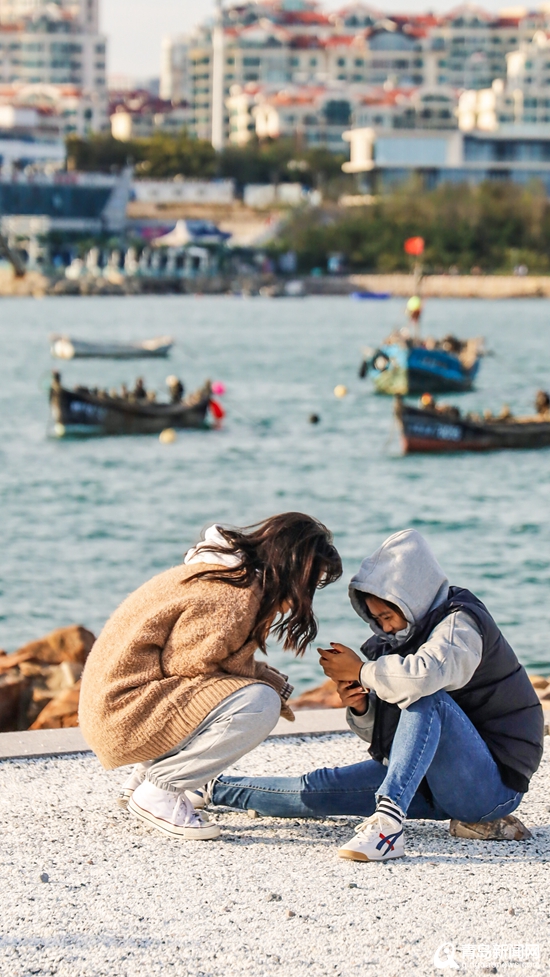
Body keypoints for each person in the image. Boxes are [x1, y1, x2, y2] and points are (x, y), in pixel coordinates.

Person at [207, 530, 544, 862]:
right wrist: (362, 708)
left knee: (426, 696)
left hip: (492, 788)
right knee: (319, 788)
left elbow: (422, 679)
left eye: (387, 616)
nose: (383, 628)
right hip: (432, 783)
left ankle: (387, 825)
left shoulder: (461, 625)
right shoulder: (394, 646)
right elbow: (395, 742)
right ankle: (212, 789)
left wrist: (362, 671)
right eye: (376, 619)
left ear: (413, 598)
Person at [79, 513, 342, 842]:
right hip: (122, 714)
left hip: (115, 706)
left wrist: (259, 674)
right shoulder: (231, 595)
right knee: (258, 703)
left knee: (242, 692)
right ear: (290, 566)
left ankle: (146, 778)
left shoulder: (225, 576)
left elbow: (188, 667)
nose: (306, 595)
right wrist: (264, 682)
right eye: (311, 581)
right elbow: (190, 666)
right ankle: (160, 791)